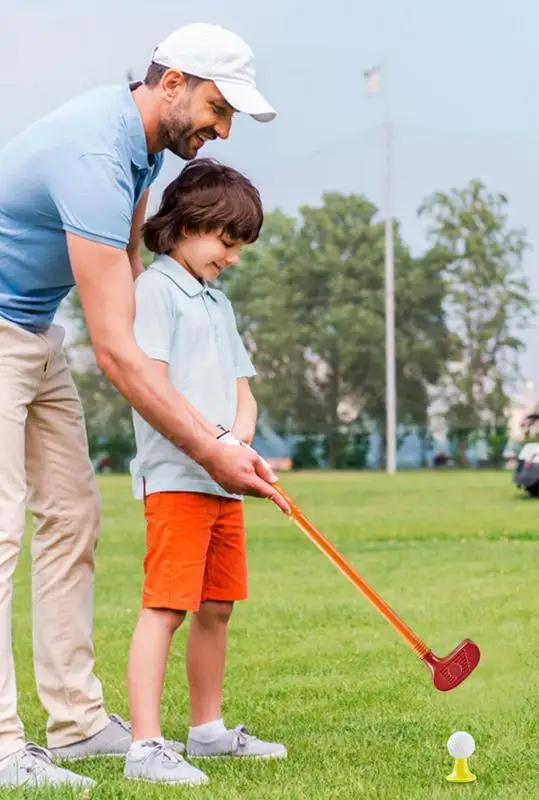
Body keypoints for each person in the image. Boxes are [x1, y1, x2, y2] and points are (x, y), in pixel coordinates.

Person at [0, 22, 287, 789]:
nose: (222, 129)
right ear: (173, 82)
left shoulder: (146, 151)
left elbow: (124, 272)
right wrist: (211, 447)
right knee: (1, 532)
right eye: (219, 108)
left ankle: (78, 723)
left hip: (32, 327)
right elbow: (121, 351)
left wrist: (218, 427)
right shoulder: (96, 153)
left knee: (73, 517)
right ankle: (2, 744)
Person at [123, 159, 287, 786]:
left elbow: (244, 389)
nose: (233, 257)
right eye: (227, 241)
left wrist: (239, 438)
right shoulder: (155, 293)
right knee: (166, 607)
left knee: (217, 606)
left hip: (223, 482)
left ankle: (207, 731)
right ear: (189, 225)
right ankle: (144, 746)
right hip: (175, 481)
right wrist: (215, 440)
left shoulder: (216, 302)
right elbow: (154, 385)